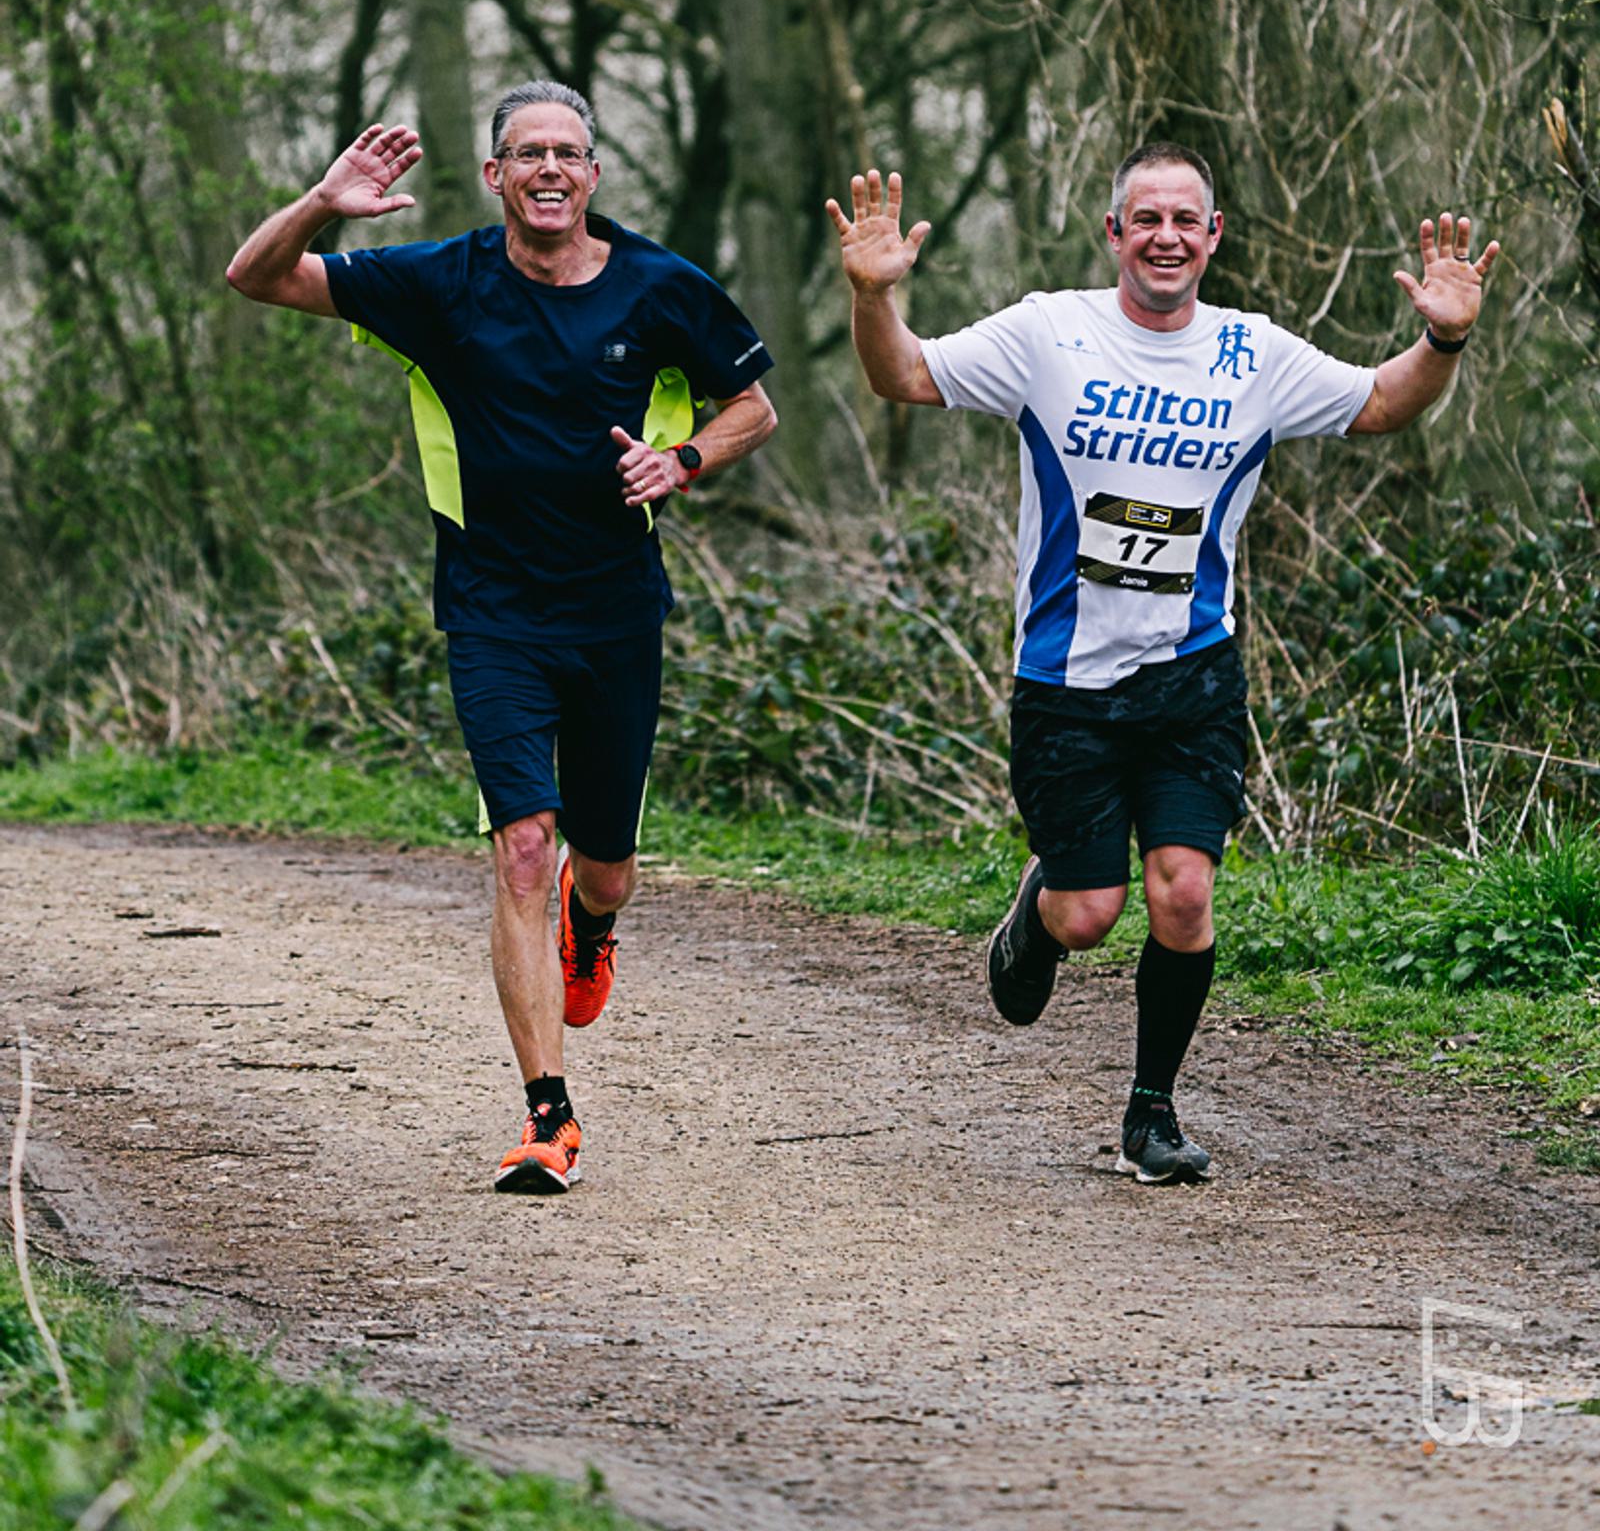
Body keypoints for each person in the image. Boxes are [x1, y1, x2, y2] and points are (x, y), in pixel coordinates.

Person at [828, 145, 1498, 1183]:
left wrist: (1443, 339)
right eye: (1146, 217)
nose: (1167, 236)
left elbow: (1377, 401)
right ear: (1114, 234)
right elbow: (902, 372)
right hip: (1064, 684)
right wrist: (872, 297)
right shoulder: (1049, 331)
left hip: (1193, 673)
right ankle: (1040, 908)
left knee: (1183, 892)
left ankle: (1150, 1111)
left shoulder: (1253, 352)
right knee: (1089, 913)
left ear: (1213, 235)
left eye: (1186, 219)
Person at [228, 82, 777, 1194]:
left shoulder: (661, 286)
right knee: (524, 843)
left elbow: (754, 405)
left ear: (593, 172)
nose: (548, 170)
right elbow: (257, 275)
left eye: (567, 153)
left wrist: (683, 463)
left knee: (606, 867)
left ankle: (593, 916)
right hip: (493, 612)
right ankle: (549, 1113)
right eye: (526, 152)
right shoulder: (444, 282)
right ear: (496, 175)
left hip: (618, 610)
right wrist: (323, 202)